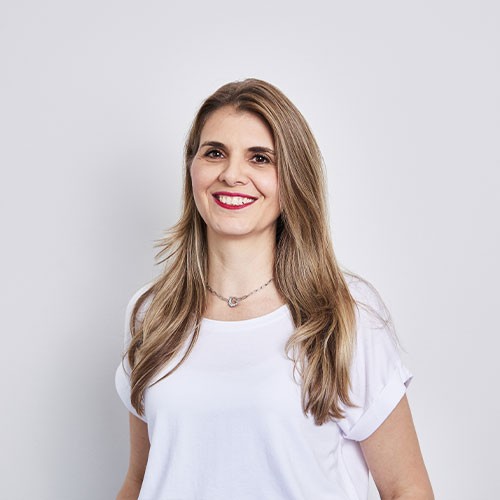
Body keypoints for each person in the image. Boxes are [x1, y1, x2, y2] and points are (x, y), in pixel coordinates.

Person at [115, 78, 434, 500]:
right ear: (192, 167)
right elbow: (140, 481)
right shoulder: (152, 313)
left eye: (260, 158)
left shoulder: (343, 313)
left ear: (293, 179)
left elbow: (406, 488)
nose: (232, 174)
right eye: (215, 153)